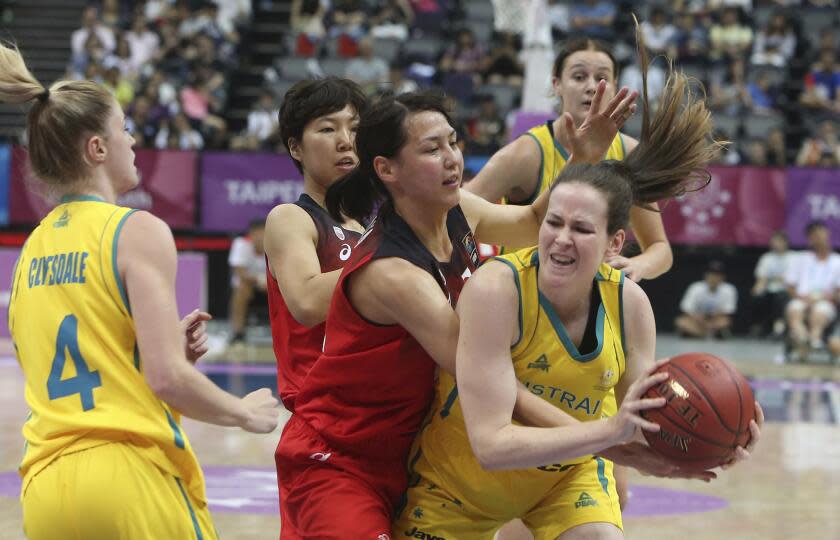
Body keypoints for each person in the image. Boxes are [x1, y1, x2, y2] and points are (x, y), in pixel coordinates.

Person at [394, 50, 762, 539]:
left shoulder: (630, 303)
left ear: (614, 243)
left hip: (567, 475)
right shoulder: (496, 278)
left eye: (581, 229)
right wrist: (614, 438)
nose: (561, 238)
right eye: (553, 222)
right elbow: (493, 443)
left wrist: (704, 443)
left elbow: (643, 417)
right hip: (462, 487)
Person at [276, 82, 639, 538]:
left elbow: (529, 223)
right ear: (387, 169)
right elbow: (490, 387)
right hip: (340, 453)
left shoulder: (458, 209)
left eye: (453, 142)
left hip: (409, 447)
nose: (452, 158)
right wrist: (607, 439)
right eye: (432, 149)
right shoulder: (395, 275)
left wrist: (583, 153)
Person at [1, 43, 279, 540]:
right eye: (124, 128)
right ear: (97, 149)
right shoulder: (135, 230)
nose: (133, 140)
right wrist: (242, 412)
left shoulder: (28, 254)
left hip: (44, 487)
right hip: (127, 475)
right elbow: (167, 380)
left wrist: (152, 344)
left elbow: (68, 368)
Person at [463, 36, 666, 523]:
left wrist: (637, 268)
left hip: (590, 321)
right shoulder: (527, 153)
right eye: (578, 75)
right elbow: (456, 217)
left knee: (598, 496)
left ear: (617, 88)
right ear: (555, 85)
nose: (591, 86)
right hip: (518, 327)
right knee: (512, 487)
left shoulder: (632, 156)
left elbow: (660, 248)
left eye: (603, 77)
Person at [264, 76, 368, 415]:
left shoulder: (372, 229)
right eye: (327, 129)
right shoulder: (291, 218)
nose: (345, 141)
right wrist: (396, 263)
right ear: (296, 147)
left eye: (354, 128)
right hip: (324, 420)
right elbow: (307, 301)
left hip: (383, 417)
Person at [784, 221, 840, 355]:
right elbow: (790, 286)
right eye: (814, 235)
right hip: (802, 298)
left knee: (820, 310)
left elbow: (838, 291)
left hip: (826, 301)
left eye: (821, 234)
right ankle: (803, 337)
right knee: (794, 308)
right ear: (809, 239)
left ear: (827, 235)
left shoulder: (837, 261)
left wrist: (825, 298)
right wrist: (802, 298)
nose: (819, 238)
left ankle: (814, 338)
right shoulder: (800, 258)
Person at [674, 260, 738, 339]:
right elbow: (686, 308)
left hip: (715, 321)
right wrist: (699, 319)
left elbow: (728, 311)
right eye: (711, 274)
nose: (714, 277)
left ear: (723, 277)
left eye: (717, 275)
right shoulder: (695, 287)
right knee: (681, 321)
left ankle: (701, 333)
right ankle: (705, 334)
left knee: (725, 322)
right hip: (697, 319)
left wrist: (711, 320)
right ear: (706, 275)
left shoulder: (729, 289)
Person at [228, 219, 268, 345]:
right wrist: (260, 280)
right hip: (249, 287)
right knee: (242, 289)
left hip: (270, 287)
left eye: (263, 233)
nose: (260, 238)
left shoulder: (275, 246)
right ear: (251, 234)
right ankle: (238, 333)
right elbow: (240, 273)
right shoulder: (241, 244)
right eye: (257, 234)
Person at [750, 230, 793, 337]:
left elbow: (790, 279)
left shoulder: (793, 257)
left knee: (781, 297)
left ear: (785, 242)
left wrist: (777, 279)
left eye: (779, 241)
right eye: (774, 242)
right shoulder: (766, 258)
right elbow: (762, 278)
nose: (776, 244)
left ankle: (778, 329)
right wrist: (758, 288)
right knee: (757, 296)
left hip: (786, 291)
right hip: (769, 289)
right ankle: (757, 327)